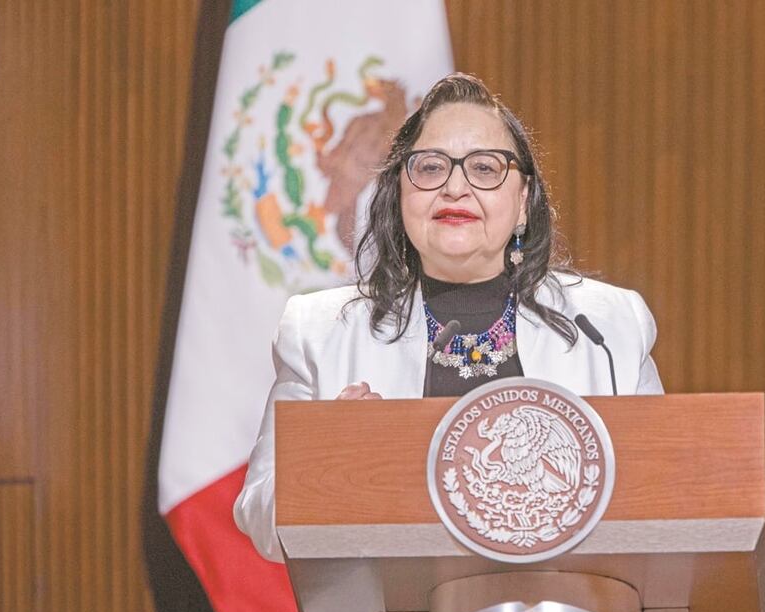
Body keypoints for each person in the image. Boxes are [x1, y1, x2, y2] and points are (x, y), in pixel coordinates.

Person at [234, 73, 663, 562]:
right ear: (400, 193)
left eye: (484, 168)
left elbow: (667, 500)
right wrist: (334, 456)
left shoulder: (610, 327)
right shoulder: (319, 330)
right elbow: (260, 518)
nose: (455, 187)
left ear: (523, 203)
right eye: (431, 167)